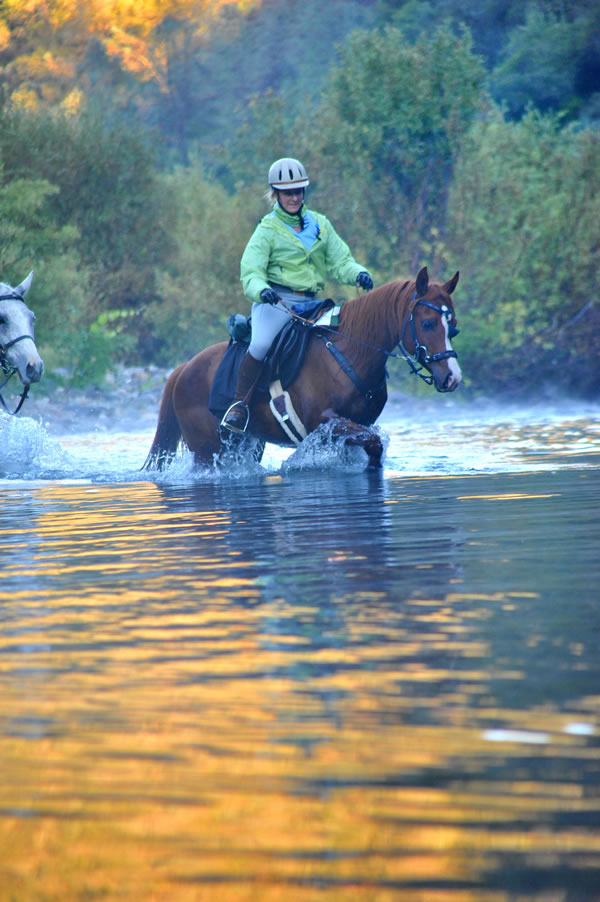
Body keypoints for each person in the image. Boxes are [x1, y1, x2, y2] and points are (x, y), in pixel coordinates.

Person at [221, 157, 374, 432]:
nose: (294, 197)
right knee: (261, 344)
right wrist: (262, 290)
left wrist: (358, 273)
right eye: (287, 192)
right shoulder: (266, 230)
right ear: (276, 194)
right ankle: (239, 405)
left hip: (312, 303)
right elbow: (251, 272)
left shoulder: (320, 224)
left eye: (298, 191)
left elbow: (341, 262)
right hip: (276, 302)